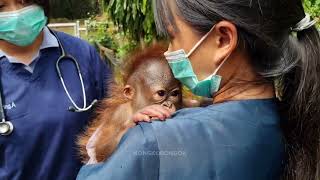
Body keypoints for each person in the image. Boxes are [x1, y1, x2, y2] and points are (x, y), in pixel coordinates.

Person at [77, 0, 320, 180]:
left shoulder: (152, 142)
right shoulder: (294, 119)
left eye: (173, 36)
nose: (168, 51)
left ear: (223, 40)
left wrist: (125, 142)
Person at [0, 0, 111, 180]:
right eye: (1, 7)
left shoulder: (82, 54)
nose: (16, 13)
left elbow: (117, 117)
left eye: (25, 1)